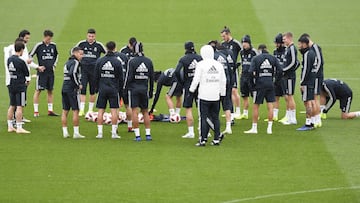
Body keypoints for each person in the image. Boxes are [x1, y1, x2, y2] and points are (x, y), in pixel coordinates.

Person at [189, 45, 226, 146]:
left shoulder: (201, 65)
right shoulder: (219, 65)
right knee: (215, 117)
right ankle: (216, 139)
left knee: (204, 117)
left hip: (204, 95)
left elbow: (196, 79)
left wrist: (191, 90)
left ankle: (203, 139)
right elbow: (223, 80)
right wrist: (222, 93)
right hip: (216, 96)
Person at [244, 44, 281, 134]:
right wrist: (275, 82)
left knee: (256, 106)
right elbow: (280, 70)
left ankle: (254, 128)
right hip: (270, 84)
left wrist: (252, 85)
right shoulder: (273, 58)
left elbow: (250, 72)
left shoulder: (256, 59)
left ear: (259, 50)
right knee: (270, 105)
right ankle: (269, 128)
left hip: (259, 85)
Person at [124, 42, 154, 141]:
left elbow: (129, 76)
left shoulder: (132, 61)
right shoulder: (149, 61)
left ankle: (137, 135)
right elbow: (152, 78)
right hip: (144, 89)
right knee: (145, 112)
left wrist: (125, 88)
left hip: (134, 90)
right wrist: (150, 91)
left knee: (134, 112)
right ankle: (148, 134)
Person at [94, 41, 124, 139]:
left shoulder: (100, 60)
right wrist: (120, 90)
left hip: (102, 88)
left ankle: (99, 133)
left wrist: (96, 88)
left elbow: (96, 76)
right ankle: (114, 133)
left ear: (106, 48)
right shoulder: (117, 61)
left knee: (100, 110)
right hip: (113, 89)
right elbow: (121, 78)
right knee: (114, 111)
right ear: (115, 48)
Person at [74, 29, 107, 116]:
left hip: (94, 71)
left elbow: (107, 54)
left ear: (95, 36)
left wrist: (100, 63)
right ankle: (81, 109)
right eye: (89, 36)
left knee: (93, 90)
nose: (91, 38)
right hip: (83, 70)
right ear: (87, 35)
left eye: (92, 36)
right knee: (83, 89)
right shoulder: (81, 44)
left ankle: (90, 109)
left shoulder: (99, 45)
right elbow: (73, 52)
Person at [174, 41, 202, 138]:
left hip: (188, 86)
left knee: (188, 108)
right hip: (200, 86)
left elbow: (177, 71)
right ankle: (203, 129)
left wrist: (182, 81)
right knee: (201, 108)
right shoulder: (200, 58)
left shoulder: (184, 59)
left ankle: (191, 132)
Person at [30, 30, 59, 117]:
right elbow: (30, 55)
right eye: (48, 39)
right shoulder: (39, 46)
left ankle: (50, 110)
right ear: (45, 37)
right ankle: (36, 111)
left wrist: (54, 65)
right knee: (38, 90)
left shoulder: (53, 46)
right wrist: (36, 66)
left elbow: (57, 55)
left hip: (50, 72)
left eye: (50, 39)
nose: (49, 40)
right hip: (41, 73)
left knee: (50, 90)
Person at [208, 40, 233, 134]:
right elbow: (230, 71)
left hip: (216, 84)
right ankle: (228, 126)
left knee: (213, 107)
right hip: (227, 82)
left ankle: (210, 129)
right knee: (227, 105)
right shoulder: (223, 56)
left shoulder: (211, 59)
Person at [300, 33, 324, 127]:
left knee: (314, 98)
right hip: (314, 77)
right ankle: (316, 119)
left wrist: (314, 74)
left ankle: (317, 119)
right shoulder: (311, 50)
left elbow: (320, 62)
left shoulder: (315, 47)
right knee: (314, 98)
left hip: (316, 77)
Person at [61, 47, 85, 139]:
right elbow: (73, 73)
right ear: (75, 53)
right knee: (75, 110)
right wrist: (78, 84)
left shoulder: (67, 62)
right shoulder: (75, 62)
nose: (82, 56)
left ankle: (65, 132)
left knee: (65, 110)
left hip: (64, 88)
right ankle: (76, 133)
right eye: (80, 54)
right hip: (72, 89)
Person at [7, 41, 30, 133]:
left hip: (11, 84)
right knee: (20, 106)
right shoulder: (21, 61)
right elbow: (27, 73)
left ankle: (10, 126)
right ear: (21, 50)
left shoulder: (9, 59)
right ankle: (19, 127)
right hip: (20, 85)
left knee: (12, 105)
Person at [221, 26, 242, 118]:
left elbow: (244, 53)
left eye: (224, 36)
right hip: (225, 70)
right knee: (227, 91)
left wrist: (240, 63)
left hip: (233, 70)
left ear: (228, 34)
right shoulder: (222, 44)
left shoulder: (236, 43)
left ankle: (238, 111)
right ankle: (230, 111)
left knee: (234, 90)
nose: (223, 38)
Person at [296, 36, 317, 131]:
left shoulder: (307, 54)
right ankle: (312, 121)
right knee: (310, 101)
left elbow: (305, 70)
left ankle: (308, 123)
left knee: (307, 102)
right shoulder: (313, 53)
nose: (299, 46)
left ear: (304, 44)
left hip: (307, 82)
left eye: (300, 44)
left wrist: (302, 82)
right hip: (312, 81)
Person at [280, 32, 299, 125]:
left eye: (284, 39)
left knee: (290, 96)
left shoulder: (292, 48)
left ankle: (293, 119)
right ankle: (290, 118)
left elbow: (294, 62)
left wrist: (284, 70)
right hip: (286, 76)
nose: (283, 41)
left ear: (289, 38)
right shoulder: (288, 49)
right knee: (288, 96)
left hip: (290, 76)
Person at [239, 35, 258, 119]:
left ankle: (256, 114)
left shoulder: (254, 52)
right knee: (244, 95)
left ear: (249, 43)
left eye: (245, 42)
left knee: (254, 96)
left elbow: (258, 62)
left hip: (251, 77)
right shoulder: (242, 52)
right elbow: (242, 62)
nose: (244, 44)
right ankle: (245, 113)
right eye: (242, 42)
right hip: (244, 76)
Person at [269, 33, 286, 122]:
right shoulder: (275, 52)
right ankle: (275, 115)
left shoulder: (286, 51)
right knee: (276, 96)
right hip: (277, 76)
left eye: (277, 43)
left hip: (284, 77)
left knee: (287, 96)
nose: (275, 45)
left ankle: (288, 115)